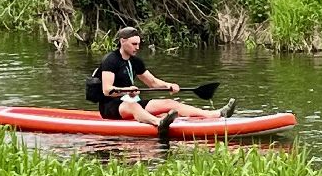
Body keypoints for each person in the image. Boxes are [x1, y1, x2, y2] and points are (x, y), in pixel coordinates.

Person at [95, 27, 236, 136]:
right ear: (122, 41)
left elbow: (152, 82)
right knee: (133, 107)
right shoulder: (111, 60)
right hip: (110, 106)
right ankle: (159, 123)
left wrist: (168, 85)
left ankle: (217, 114)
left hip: (129, 102)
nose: (137, 47)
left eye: (138, 44)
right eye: (134, 44)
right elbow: (107, 90)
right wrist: (128, 90)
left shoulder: (135, 61)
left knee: (170, 103)